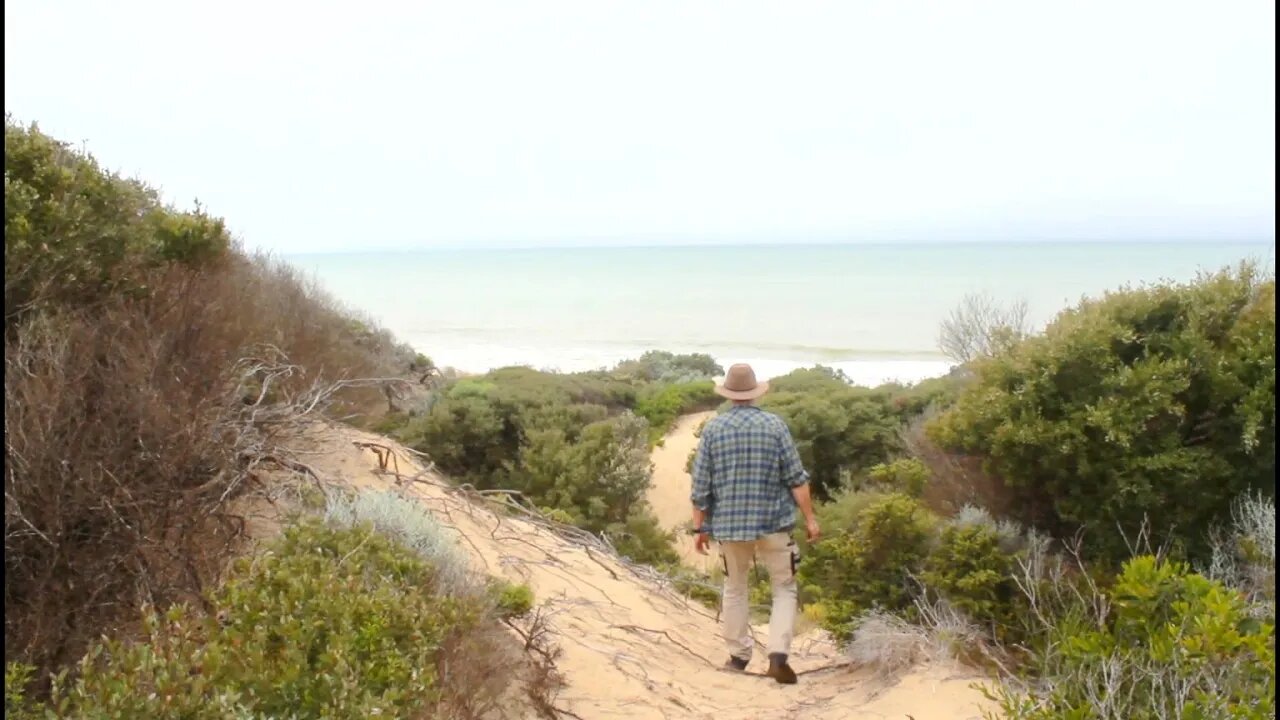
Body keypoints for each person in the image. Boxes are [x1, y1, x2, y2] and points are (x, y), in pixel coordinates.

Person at [690, 363, 820, 684]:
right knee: (785, 588)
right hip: (774, 525)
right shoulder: (774, 426)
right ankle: (777, 655)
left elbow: (700, 486)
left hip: (731, 528)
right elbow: (796, 479)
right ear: (755, 393)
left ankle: (738, 657)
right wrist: (811, 519)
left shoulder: (713, 430)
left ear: (729, 395)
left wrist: (700, 528)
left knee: (735, 588)